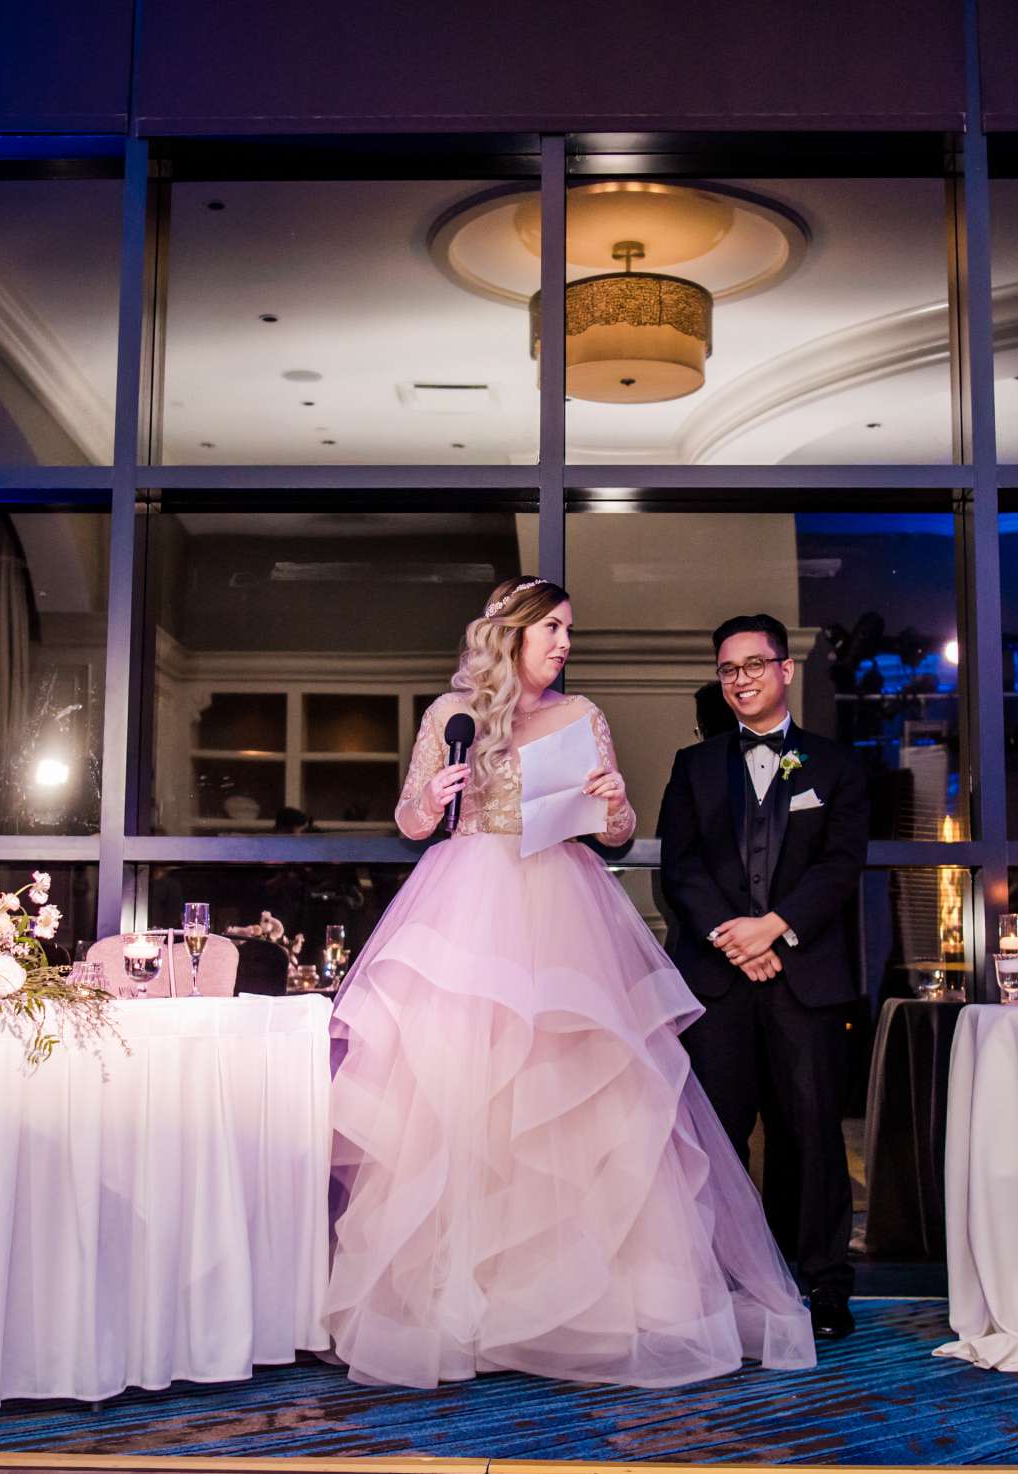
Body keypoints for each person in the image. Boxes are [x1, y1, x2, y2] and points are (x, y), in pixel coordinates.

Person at [323, 576, 815, 1389]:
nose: (563, 643)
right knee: (460, 1099)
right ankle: (462, 1306)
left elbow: (615, 832)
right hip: (467, 907)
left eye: (569, 631)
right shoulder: (452, 715)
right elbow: (411, 819)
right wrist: (434, 794)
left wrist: (612, 801)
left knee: (573, 1095)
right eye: (551, 628)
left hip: (560, 906)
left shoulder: (584, 717)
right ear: (510, 634)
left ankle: (576, 1307)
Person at [656, 613, 870, 1343]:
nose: (740, 679)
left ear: (784, 670)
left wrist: (773, 928)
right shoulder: (694, 767)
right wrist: (736, 940)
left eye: (753, 665)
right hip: (717, 984)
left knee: (810, 1136)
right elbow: (680, 870)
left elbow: (841, 866)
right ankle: (717, 1283)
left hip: (806, 977)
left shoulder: (837, 766)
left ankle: (823, 1283)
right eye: (728, 670)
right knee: (715, 1138)